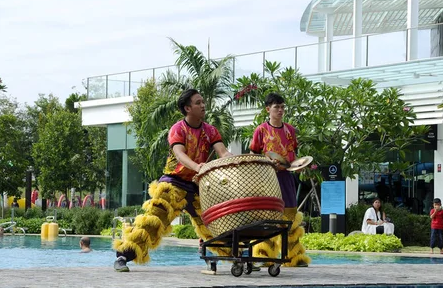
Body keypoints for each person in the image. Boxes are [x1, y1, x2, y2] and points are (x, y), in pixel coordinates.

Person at [113, 88, 233, 272]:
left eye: (203, 102)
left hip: (197, 184)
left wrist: (237, 162)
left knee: (212, 220)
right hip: (173, 183)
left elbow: (223, 152)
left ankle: (226, 257)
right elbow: (179, 154)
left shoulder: (210, 130)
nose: (203, 105)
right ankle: (122, 256)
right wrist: (197, 166)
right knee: (153, 222)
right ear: (187, 108)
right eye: (198, 102)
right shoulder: (178, 129)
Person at [249, 93, 311, 267]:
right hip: (267, 177)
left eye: (282, 107)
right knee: (267, 214)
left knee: (290, 215)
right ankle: (263, 256)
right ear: (268, 109)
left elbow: (293, 154)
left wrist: (300, 164)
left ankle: (294, 257)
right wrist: (266, 164)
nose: (280, 110)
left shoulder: (290, 130)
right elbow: (254, 154)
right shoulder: (260, 130)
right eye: (277, 107)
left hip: (286, 176)